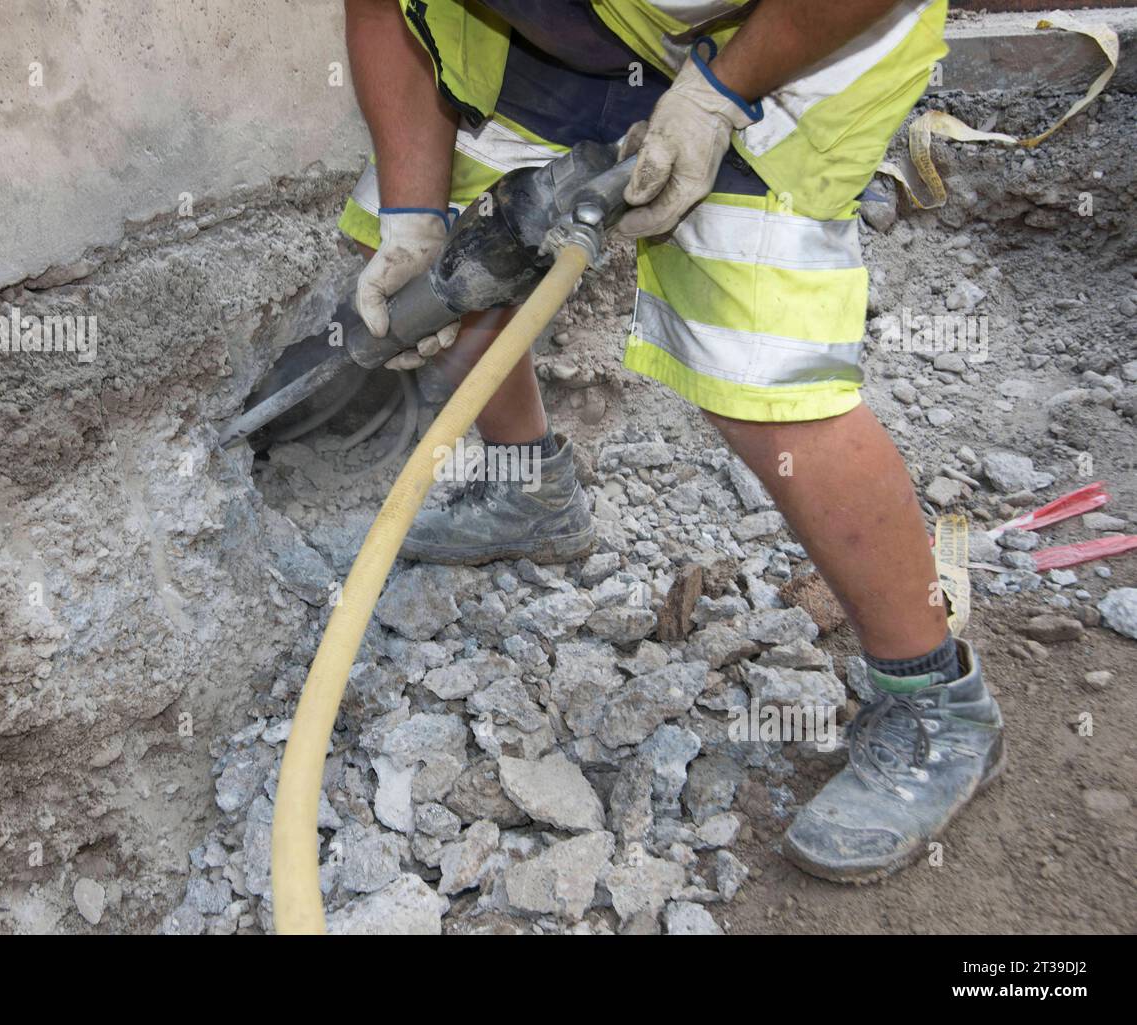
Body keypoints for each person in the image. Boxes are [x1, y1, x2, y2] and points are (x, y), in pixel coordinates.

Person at [338, 0, 1004, 883]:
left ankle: (938, 708)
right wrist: (413, 216)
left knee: (763, 377)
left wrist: (722, 92)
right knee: (465, 264)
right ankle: (530, 491)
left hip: (801, 33)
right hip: (557, 39)